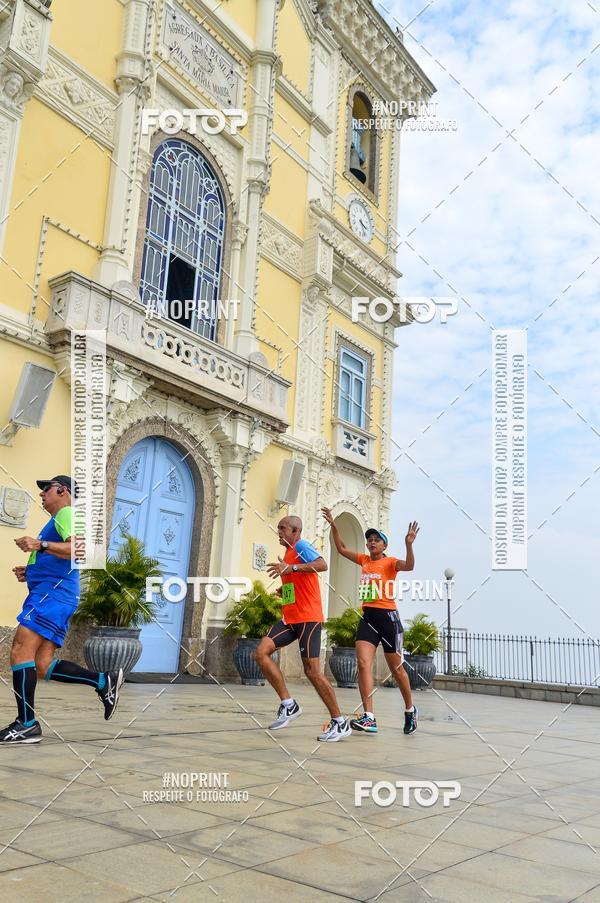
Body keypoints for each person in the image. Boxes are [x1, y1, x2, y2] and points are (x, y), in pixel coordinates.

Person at [0, 476, 123, 744]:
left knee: (20, 651)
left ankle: (27, 724)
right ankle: (103, 681)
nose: (42, 495)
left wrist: (39, 545)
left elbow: (78, 549)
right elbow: (60, 557)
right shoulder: (56, 520)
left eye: (46, 490)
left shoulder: (67, 513)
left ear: (62, 491)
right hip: (54, 594)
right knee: (42, 665)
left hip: (52, 596)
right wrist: (31, 570)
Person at [322, 507, 419, 735]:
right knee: (363, 663)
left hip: (388, 619)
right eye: (369, 540)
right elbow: (341, 548)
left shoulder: (391, 563)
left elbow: (410, 566)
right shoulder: (364, 560)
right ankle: (369, 717)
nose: (372, 542)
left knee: (396, 669)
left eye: (377, 540)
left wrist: (409, 544)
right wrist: (334, 525)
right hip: (368, 618)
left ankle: (410, 709)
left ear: (384, 546)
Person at [254, 515, 351, 742]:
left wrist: (292, 568)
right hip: (290, 618)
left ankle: (339, 722)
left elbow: (322, 564)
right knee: (261, 653)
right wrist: (284, 590)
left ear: (295, 531)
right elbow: (296, 578)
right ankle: (289, 705)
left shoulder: (301, 546)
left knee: (312, 671)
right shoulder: (288, 552)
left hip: (308, 618)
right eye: (278, 528)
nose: (279, 532)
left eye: (283, 528)